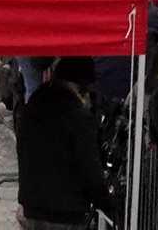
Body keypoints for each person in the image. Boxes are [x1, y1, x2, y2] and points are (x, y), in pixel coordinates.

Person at [14, 62, 113, 230]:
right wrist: (108, 205)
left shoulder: (34, 102)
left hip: (31, 206)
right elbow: (90, 169)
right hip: (65, 212)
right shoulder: (78, 116)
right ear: (81, 87)